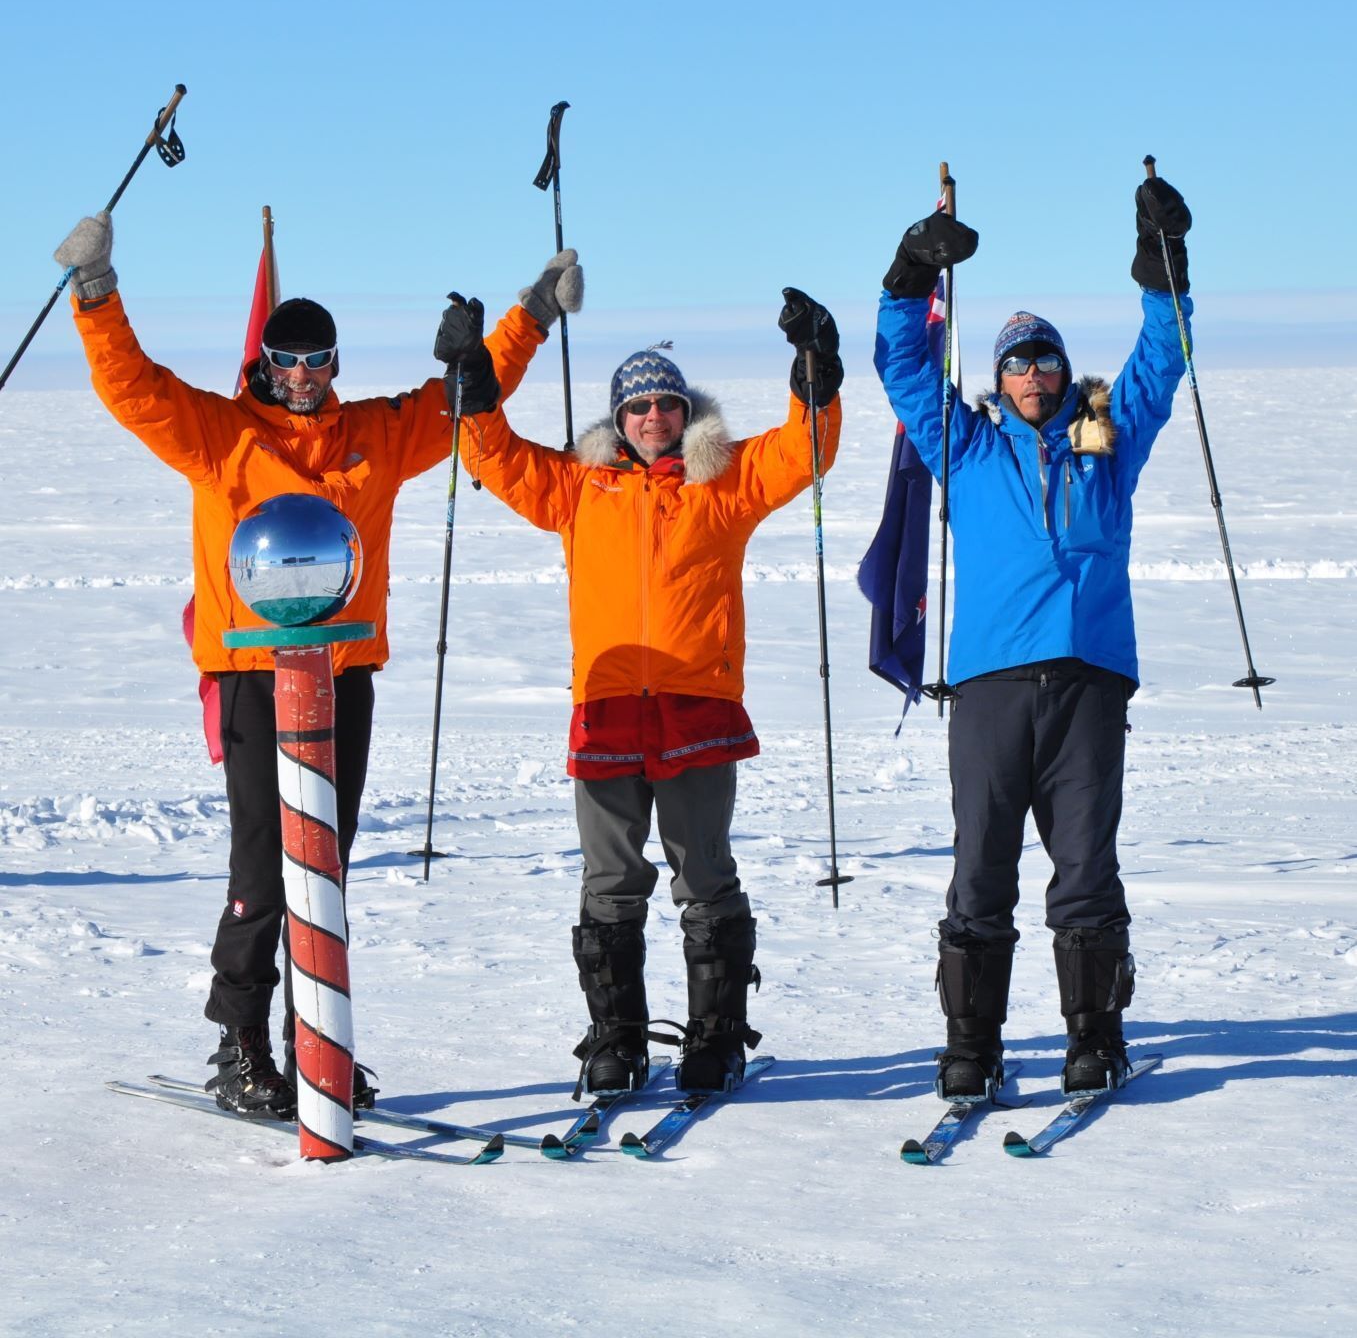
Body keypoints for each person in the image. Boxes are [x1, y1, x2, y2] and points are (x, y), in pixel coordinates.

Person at [53, 211, 582, 1119]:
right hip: (254, 677)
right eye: (287, 356)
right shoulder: (221, 434)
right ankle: (241, 1045)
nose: (302, 374)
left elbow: (460, 397)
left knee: (325, 866)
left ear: (335, 365)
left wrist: (530, 312)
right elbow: (134, 388)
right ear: (263, 359)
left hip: (345, 676)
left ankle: (321, 1046)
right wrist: (96, 291)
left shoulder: (372, 436)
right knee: (265, 863)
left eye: (317, 358)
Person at [437, 279, 844, 1095]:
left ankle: (716, 1038)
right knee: (611, 882)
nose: (652, 417)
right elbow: (497, 458)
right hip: (608, 709)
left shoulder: (721, 483)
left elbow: (804, 450)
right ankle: (614, 1040)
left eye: (665, 404)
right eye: (637, 407)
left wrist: (815, 373)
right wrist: (473, 385)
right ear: (616, 420)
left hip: (698, 708)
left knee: (704, 874)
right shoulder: (579, 489)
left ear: (684, 414)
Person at [872, 176, 1194, 1099]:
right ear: (1000, 379)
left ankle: (1094, 1038)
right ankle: (970, 1045)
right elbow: (901, 365)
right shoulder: (965, 447)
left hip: (1089, 686)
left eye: (1045, 362)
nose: (1032, 377)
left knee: (1086, 871)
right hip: (989, 692)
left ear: (1063, 373)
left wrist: (1161, 265)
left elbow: (1161, 358)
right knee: (980, 871)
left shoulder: (1109, 441)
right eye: (1017, 365)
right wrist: (905, 273)